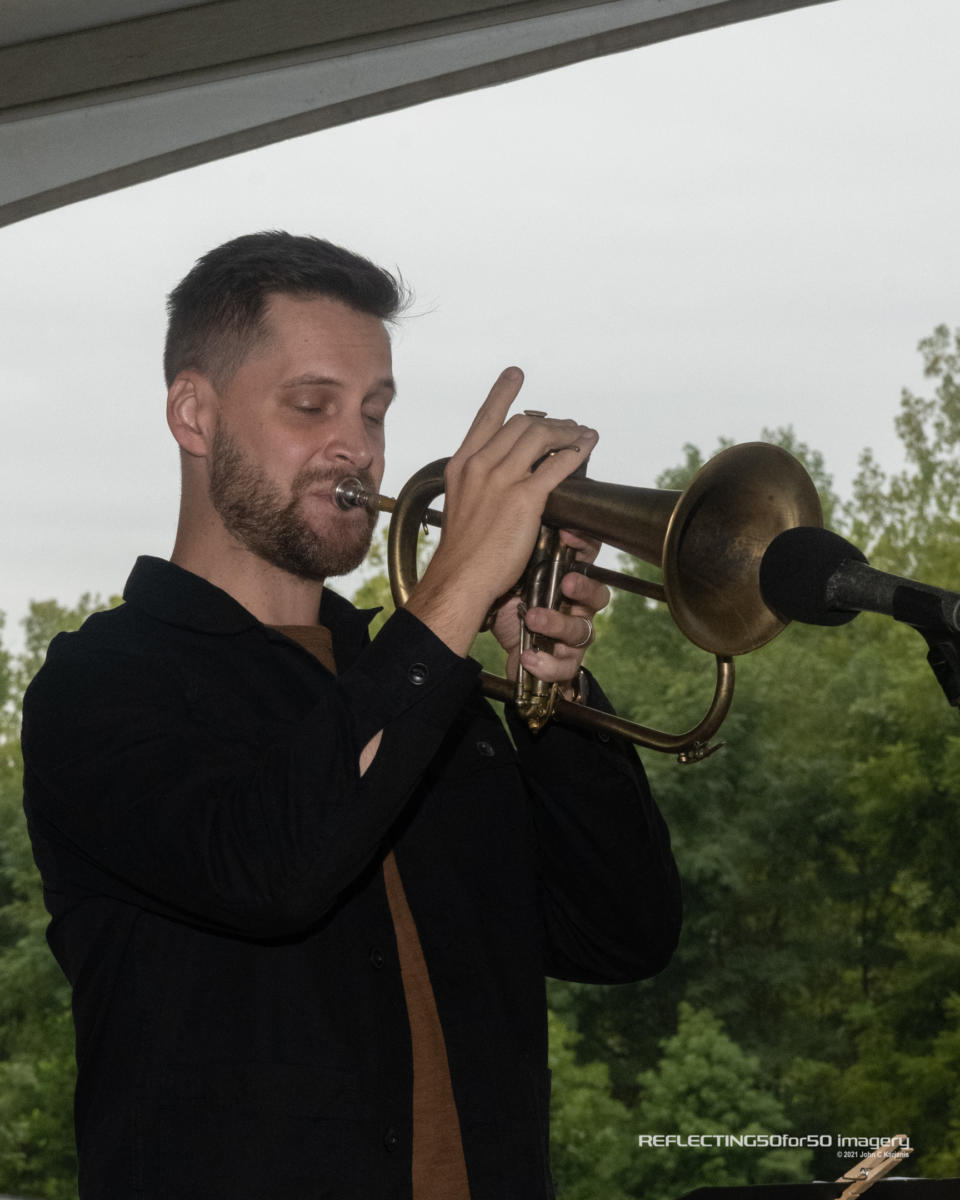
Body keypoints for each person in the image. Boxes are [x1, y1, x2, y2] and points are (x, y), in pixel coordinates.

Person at [21, 232, 681, 1199]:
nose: (358, 447)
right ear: (194, 414)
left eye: (375, 411)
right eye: (311, 406)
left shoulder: (422, 688)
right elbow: (275, 869)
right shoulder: (101, 683)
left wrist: (554, 692)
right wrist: (455, 590)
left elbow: (621, 935)